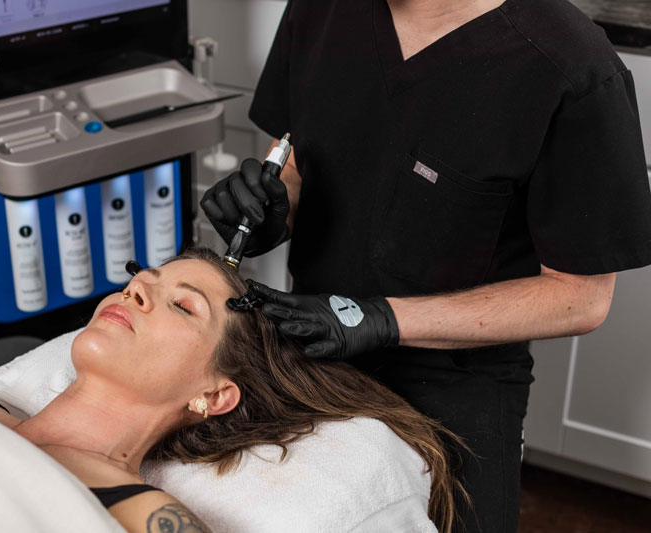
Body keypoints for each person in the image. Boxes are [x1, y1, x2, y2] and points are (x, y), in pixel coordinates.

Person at [199, 0, 651, 531]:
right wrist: (276, 206)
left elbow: (580, 297)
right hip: (307, 349)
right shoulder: (319, 11)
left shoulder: (571, 66)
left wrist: (380, 319)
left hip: (455, 381)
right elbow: (297, 152)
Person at [0, 248, 465, 533]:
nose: (137, 290)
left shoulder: (146, 518)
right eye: (143, 278)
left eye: (183, 305)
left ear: (214, 395)